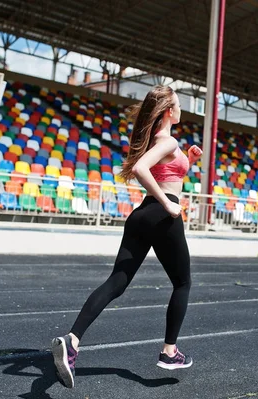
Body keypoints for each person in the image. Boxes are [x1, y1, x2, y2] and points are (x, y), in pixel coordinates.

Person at [51, 85, 203, 389]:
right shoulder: (168, 139)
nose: (181, 109)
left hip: (141, 216)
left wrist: (189, 160)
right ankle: (170, 352)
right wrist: (168, 203)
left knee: (116, 282)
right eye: (178, 104)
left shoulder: (155, 140)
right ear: (169, 112)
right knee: (183, 283)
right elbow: (141, 168)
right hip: (160, 215)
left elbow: (162, 170)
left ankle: (72, 340)